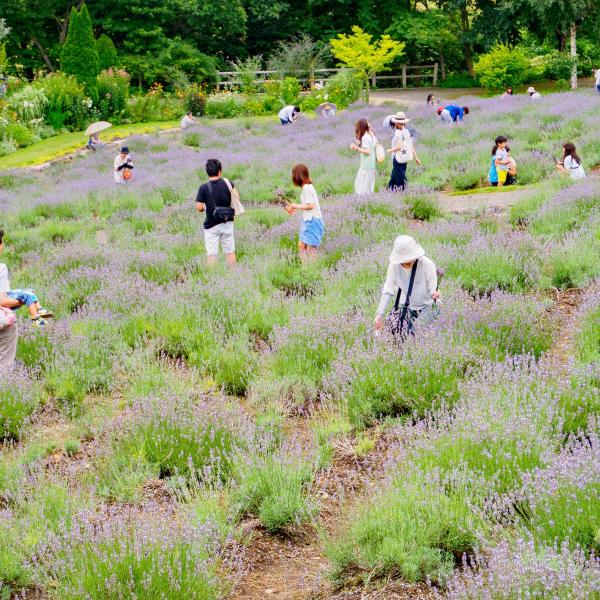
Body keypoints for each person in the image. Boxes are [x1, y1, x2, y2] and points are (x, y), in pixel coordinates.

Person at [374, 235, 440, 336]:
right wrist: (379, 315)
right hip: (409, 306)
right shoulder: (394, 266)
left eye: (411, 259)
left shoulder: (426, 264)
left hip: (429, 306)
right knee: (389, 329)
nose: (408, 262)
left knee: (417, 332)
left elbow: (432, 286)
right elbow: (388, 289)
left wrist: (434, 294)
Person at [0, 229, 53, 327]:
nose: (3, 246)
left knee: (29, 291)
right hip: (5, 303)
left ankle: (40, 309)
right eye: (2, 243)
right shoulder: (1, 267)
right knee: (28, 295)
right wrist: (21, 301)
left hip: (7, 294)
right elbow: (2, 300)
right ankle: (35, 318)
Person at [195, 159, 237, 266]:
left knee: (212, 254)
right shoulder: (228, 183)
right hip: (227, 222)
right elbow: (236, 197)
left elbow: (199, 207)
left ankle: (212, 277)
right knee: (230, 252)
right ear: (220, 172)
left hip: (211, 225)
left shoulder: (203, 187)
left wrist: (206, 206)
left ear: (207, 172)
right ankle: (234, 274)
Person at [285, 164, 324, 263]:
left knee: (310, 248)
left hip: (312, 221)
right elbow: (307, 206)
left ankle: (310, 270)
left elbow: (310, 206)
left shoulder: (307, 188)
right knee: (302, 245)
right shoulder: (308, 187)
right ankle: (306, 268)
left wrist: (295, 206)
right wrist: (294, 207)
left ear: (297, 176)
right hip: (309, 220)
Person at [387, 111, 421, 191]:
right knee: (396, 176)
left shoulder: (398, 133)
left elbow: (399, 147)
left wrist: (390, 150)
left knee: (398, 178)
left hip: (398, 158)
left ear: (397, 123)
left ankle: (399, 193)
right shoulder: (406, 132)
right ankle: (393, 192)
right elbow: (410, 146)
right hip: (404, 158)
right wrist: (416, 158)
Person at [350, 119, 377, 195]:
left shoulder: (365, 137)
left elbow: (368, 151)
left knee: (360, 186)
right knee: (369, 186)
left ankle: (362, 203)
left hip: (365, 166)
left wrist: (356, 148)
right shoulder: (372, 136)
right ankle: (368, 202)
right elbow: (373, 146)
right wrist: (359, 144)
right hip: (372, 165)